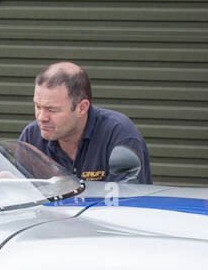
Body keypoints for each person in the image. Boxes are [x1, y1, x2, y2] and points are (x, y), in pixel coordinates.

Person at [19, 62, 152, 184]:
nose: (41, 117)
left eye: (52, 110)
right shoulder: (31, 137)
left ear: (82, 108)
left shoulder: (119, 134)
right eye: (37, 106)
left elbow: (128, 202)